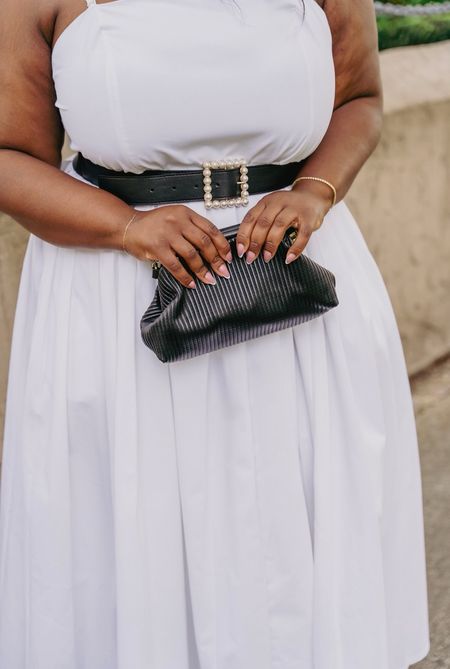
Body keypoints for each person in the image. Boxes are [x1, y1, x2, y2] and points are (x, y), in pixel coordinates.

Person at [0, 0, 430, 667]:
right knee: (142, 550)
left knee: (302, 546)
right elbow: (9, 155)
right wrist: (126, 226)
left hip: (297, 289)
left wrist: (315, 190)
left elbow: (362, 97)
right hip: (125, 303)